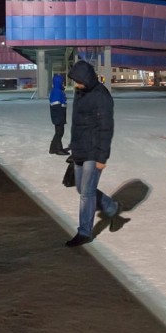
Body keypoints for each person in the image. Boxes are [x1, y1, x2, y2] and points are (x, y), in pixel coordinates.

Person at [65, 60, 118, 247]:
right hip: (80, 148)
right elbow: (78, 123)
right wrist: (73, 146)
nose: (76, 85)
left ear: (86, 78)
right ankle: (111, 208)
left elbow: (106, 128)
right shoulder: (81, 92)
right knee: (81, 188)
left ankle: (85, 232)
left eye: (79, 81)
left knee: (86, 193)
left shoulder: (101, 96)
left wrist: (102, 157)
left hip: (94, 152)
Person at [48, 72, 68, 154]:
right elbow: (56, 105)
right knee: (59, 132)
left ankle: (53, 148)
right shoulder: (57, 91)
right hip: (58, 115)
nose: (63, 83)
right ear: (59, 82)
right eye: (62, 81)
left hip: (59, 115)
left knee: (59, 132)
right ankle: (58, 149)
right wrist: (61, 116)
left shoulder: (58, 90)